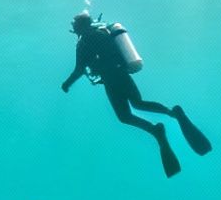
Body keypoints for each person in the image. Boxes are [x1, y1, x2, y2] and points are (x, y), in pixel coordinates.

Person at [60, 12, 211, 177]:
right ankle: (172, 113)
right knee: (138, 103)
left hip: (111, 81)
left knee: (125, 116)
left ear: (80, 26)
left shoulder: (83, 43)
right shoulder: (103, 32)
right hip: (122, 74)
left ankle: (156, 130)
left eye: (74, 23)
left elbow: (79, 70)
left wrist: (66, 84)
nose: (72, 26)